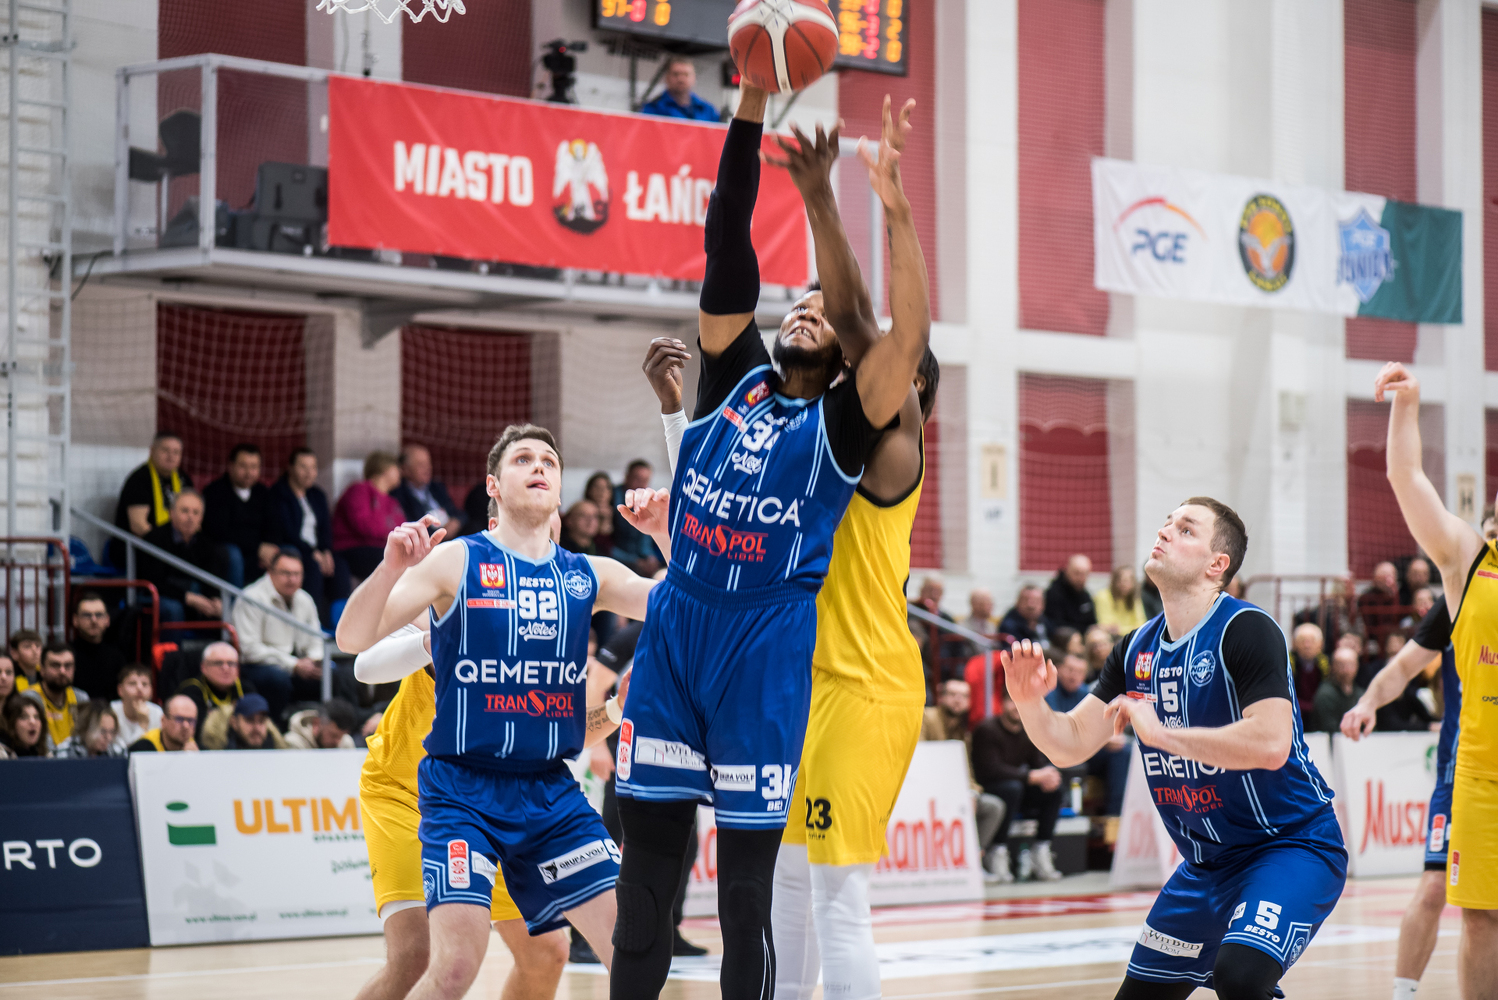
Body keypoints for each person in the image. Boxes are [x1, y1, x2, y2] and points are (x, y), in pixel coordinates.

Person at [609, 85, 928, 1000]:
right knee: (648, 893)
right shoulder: (734, 380)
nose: (804, 311)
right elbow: (727, 245)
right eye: (801, 303)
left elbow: (898, 335)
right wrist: (748, 102)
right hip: (679, 639)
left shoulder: (849, 428)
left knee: (758, 898)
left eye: (822, 312)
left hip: (773, 656)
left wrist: (876, 206)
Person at [336, 423, 671, 1000]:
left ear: (561, 493)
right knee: (440, 962)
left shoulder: (583, 576)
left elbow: (694, 606)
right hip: (446, 789)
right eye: (522, 459)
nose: (539, 466)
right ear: (493, 486)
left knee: (606, 948)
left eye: (549, 460)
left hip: (545, 791)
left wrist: (665, 536)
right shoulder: (458, 563)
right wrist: (392, 570)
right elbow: (355, 646)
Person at [1003, 497, 1345, 998]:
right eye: (1167, 523)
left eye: (1186, 529)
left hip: (1289, 846)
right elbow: (1069, 743)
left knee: (1241, 977)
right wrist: (1029, 702)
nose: (1164, 531)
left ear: (1216, 564)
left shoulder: (1247, 628)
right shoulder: (1134, 648)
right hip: (1206, 866)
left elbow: (1272, 743)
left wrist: (1161, 735)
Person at [1375, 361, 1498, 998]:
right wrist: (1409, 404)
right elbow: (1407, 477)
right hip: (1480, 773)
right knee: (1479, 917)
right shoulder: (1468, 560)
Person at [1341, 585, 1465, 1000]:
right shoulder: (1458, 598)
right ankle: (1402, 994)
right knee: (1434, 887)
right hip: (1461, 774)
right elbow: (1403, 667)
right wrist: (1368, 703)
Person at [971, 692, 1065, 882]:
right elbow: (990, 770)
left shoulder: (1029, 730)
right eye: (1012, 701)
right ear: (1002, 703)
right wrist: (1030, 776)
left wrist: (1048, 775)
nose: (1016, 707)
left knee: (1054, 791)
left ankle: (1041, 848)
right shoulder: (986, 729)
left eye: (1021, 702)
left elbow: (1037, 764)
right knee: (1012, 788)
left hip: (1017, 790)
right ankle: (997, 850)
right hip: (989, 788)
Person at [921, 679, 1007, 884]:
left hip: (953, 794)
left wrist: (972, 793)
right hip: (925, 791)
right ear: (941, 697)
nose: (958, 700)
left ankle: (972, 861)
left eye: (964, 696)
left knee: (993, 807)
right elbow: (919, 757)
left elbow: (967, 772)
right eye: (953, 694)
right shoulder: (926, 718)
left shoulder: (964, 733)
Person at [234, 549, 328, 720]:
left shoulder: (305, 599)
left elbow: (316, 639)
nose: (292, 579)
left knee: (336, 675)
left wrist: (314, 660)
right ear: (270, 572)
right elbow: (249, 649)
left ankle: (331, 728)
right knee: (277, 680)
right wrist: (293, 664)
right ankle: (277, 726)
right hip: (258, 665)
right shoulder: (251, 597)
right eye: (286, 573)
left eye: (297, 574)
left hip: (297, 664)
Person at [1046, 651, 1130, 816]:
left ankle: (1114, 816)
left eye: (1079, 672)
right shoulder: (1050, 693)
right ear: (1059, 669)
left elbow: (1101, 723)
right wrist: (1103, 740)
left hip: (1086, 751)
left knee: (1123, 751)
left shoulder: (1086, 694)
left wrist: (1109, 737)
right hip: (1059, 752)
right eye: (1070, 670)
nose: (1074, 676)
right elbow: (1057, 729)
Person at [269, 447, 343, 622]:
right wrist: (312, 553)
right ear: (290, 468)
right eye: (303, 467)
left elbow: (325, 529)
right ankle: (312, 622)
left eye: (313, 467)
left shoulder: (317, 495)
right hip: (291, 548)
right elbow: (286, 531)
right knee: (312, 566)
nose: (309, 473)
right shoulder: (278, 494)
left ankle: (339, 622)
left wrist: (326, 551)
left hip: (315, 551)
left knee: (340, 567)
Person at [202, 443, 280, 587]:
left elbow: (274, 525)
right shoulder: (215, 492)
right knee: (234, 554)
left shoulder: (263, 492)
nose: (249, 472)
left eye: (254, 467)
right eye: (243, 466)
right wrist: (257, 547)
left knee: (288, 552)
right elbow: (219, 532)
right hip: (229, 554)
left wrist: (269, 548)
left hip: (258, 555)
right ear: (231, 466)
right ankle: (235, 600)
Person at [141, 490, 225, 622]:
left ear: (201, 518)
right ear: (171, 513)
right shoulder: (154, 539)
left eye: (196, 513)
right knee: (174, 609)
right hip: (162, 595)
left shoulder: (206, 543)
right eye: (185, 511)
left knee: (222, 609)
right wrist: (187, 597)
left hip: (193, 596)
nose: (190, 517)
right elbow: (155, 581)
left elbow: (212, 578)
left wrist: (215, 599)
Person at [111, 431, 192, 568]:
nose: (171, 456)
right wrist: (169, 545)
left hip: (173, 544)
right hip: (139, 548)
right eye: (165, 450)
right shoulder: (139, 479)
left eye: (176, 452)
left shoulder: (184, 479)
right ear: (152, 450)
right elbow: (138, 526)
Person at [334, 451, 407, 581]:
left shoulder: (393, 501)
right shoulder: (359, 490)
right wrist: (392, 535)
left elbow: (403, 529)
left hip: (380, 548)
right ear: (384, 468)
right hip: (352, 548)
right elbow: (364, 526)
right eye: (396, 467)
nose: (400, 472)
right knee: (393, 559)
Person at [176, 641, 253, 745]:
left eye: (231, 663)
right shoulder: (191, 690)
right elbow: (197, 730)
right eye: (218, 663)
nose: (225, 668)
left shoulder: (246, 689)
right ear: (204, 667)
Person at [21, 641, 88, 752]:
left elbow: (85, 740)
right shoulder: (29, 698)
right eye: (55, 665)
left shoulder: (81, 698)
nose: (62, 671)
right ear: (42, 669)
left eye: (68, 666)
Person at [391, 443, 464, 537]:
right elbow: (410, 526)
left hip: (453, 535)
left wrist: (457, 521)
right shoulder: (399, 495)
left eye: (428, 463)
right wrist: (440, 533)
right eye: (421, 465)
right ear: (405, 470)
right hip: (428, 539)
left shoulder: (437, 487)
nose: (427, 468)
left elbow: (457, 512)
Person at [68, 591, 126, 701]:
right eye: (87, 615)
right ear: (75, 620)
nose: (93, 620)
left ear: (107, 620)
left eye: (99, 615)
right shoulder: (65, 656)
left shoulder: (117, 658)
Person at [610, 460, 663, 576]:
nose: (641, 484)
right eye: (637, 479)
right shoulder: (612, 497)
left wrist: (650, 556)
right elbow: (607, 543)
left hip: (641, 557)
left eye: (645, 480)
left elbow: (647, 538)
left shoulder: (648, 500)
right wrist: (636, 561)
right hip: (616, 557)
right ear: (627, 477)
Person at [637, 55, 719, 122]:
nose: (681, 79)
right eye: (676, 74)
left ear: (694, 78)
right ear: (667, 77)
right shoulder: (653, 109)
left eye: (686, 74)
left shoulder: (708, 110)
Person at [1313, 647, 1363, 734]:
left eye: (1350, 665)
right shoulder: (1325, 694)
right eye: (1341, 665)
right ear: (1332, 666)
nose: (1346, 670)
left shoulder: (1361, 694)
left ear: (1357, 666)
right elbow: (1330, 729)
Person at [127, 694, 199, 752]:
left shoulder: (198, 750)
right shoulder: (143, 748)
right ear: (163, 721)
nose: (186, 726)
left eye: (191, 720)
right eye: (179, 719)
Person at [111, 663, 161, 747]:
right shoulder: (111, 711)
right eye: (132, 683)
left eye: (144, 684)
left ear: (151, 691)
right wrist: (143, 725)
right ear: (120, 690)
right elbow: (124, 751)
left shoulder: (157, 713)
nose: (139, 688)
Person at [1044, 554, 1097, 632]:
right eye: (1077, 573)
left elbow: (1092, 622)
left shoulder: (1085, 595)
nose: (1081, 578)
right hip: (1063, 636)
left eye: (1085, 574)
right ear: (1067, 571)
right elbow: (1056, 626)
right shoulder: (1054, 594)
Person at [52, 700, 122, 758]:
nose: (109, 738)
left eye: (112, 732)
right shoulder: (66, 752)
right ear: (87, 728)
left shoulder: (116, 753)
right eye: (103, 731)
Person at [1358, 560, 1403, 649]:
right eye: (1384, 575)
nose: (1388, 579)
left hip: (1396, 638)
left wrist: (1393, 595)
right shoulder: (1366, 598)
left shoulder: (1402, 596)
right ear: (1375, 578)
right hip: (1374, 639)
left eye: (1391, 575)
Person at [1290, 622, 1329, 721]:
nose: (1307, 645)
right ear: (1294, 643)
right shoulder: (1288, 663)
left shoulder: (1327, 665)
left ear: (1321, 644)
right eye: (1302, 641)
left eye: (1312, 641)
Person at [285, 698, 359, 749]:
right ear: (316, 723)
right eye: (333, 735)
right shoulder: (294, 742)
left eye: (341, 736)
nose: (337, 741)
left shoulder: (346, 743)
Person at [222, 692, 287, 750]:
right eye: (249, 720)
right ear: (234, 723)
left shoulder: (278, 752)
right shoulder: (219, 751)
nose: (257, 728)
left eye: (261, 721)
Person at [1093, 565, 1145, 636]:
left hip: (1131, 637)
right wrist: (1131, 629)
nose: (1125, 584)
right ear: (1114, 581)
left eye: (1129, 581)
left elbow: (1141, 624)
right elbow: (1106, 625)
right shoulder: (1103, 596)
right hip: (1110, 637)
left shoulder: (1134, 599)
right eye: (1122, 580)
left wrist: (1121, 630)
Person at [584, 473, 617, 556]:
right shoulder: (580, 511)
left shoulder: (618, 514)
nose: (602, 491)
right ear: (589, 490)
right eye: (597, 487)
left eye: (606, 488)